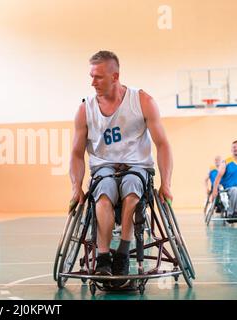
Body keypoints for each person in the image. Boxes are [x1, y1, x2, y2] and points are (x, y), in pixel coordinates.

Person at [69, 50, 173, 287]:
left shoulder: (142, 101)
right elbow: (76, 154)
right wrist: (76, 186)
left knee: (132, 188)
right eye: (91, 76)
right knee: (104, 192)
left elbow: (163, 145)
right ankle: (104, 258)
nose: (92, 82)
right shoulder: (85, 109)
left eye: (98, 77)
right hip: (103, 168)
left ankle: (124, 252)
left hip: (137, 167)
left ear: (115, 76)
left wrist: (166, 183)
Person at [211, 141, 237, 219]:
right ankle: (230, 212)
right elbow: (218, 177)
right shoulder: (226, 162)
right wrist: (214, 190)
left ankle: (236, 212)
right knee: (235, 189)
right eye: (234, 147)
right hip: (227, 189)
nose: (236, 149)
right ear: (231, 149)